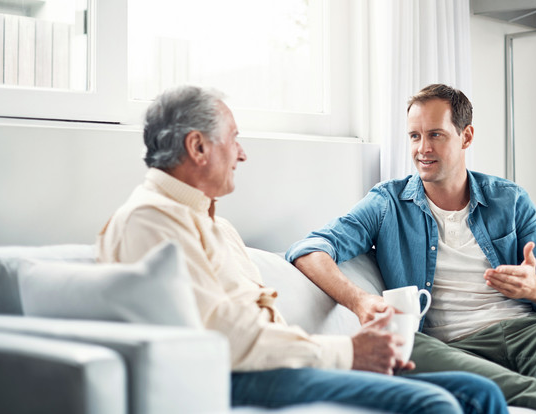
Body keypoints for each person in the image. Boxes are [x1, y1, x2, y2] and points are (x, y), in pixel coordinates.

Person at [96, 85, 507, 414]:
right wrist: (346, 351)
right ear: (198, 147)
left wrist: (352, 355)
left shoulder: (217, 225)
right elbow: (223, 339)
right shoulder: (149, 221)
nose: (241, 153)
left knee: (479, 392)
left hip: (272, 364)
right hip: (231, 375)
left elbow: (262, 327)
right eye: (233, 140)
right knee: (432, 403)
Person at [286, 84, 536, 414]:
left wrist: (535, 288)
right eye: (414, 136)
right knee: (407, 348)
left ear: (466, 136)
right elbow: (309, 250)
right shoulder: (387, 203)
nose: (422, 149)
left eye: (436, 135)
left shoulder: (509, 199)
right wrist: (360, 301)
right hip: (450, 346)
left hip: (528, 333)